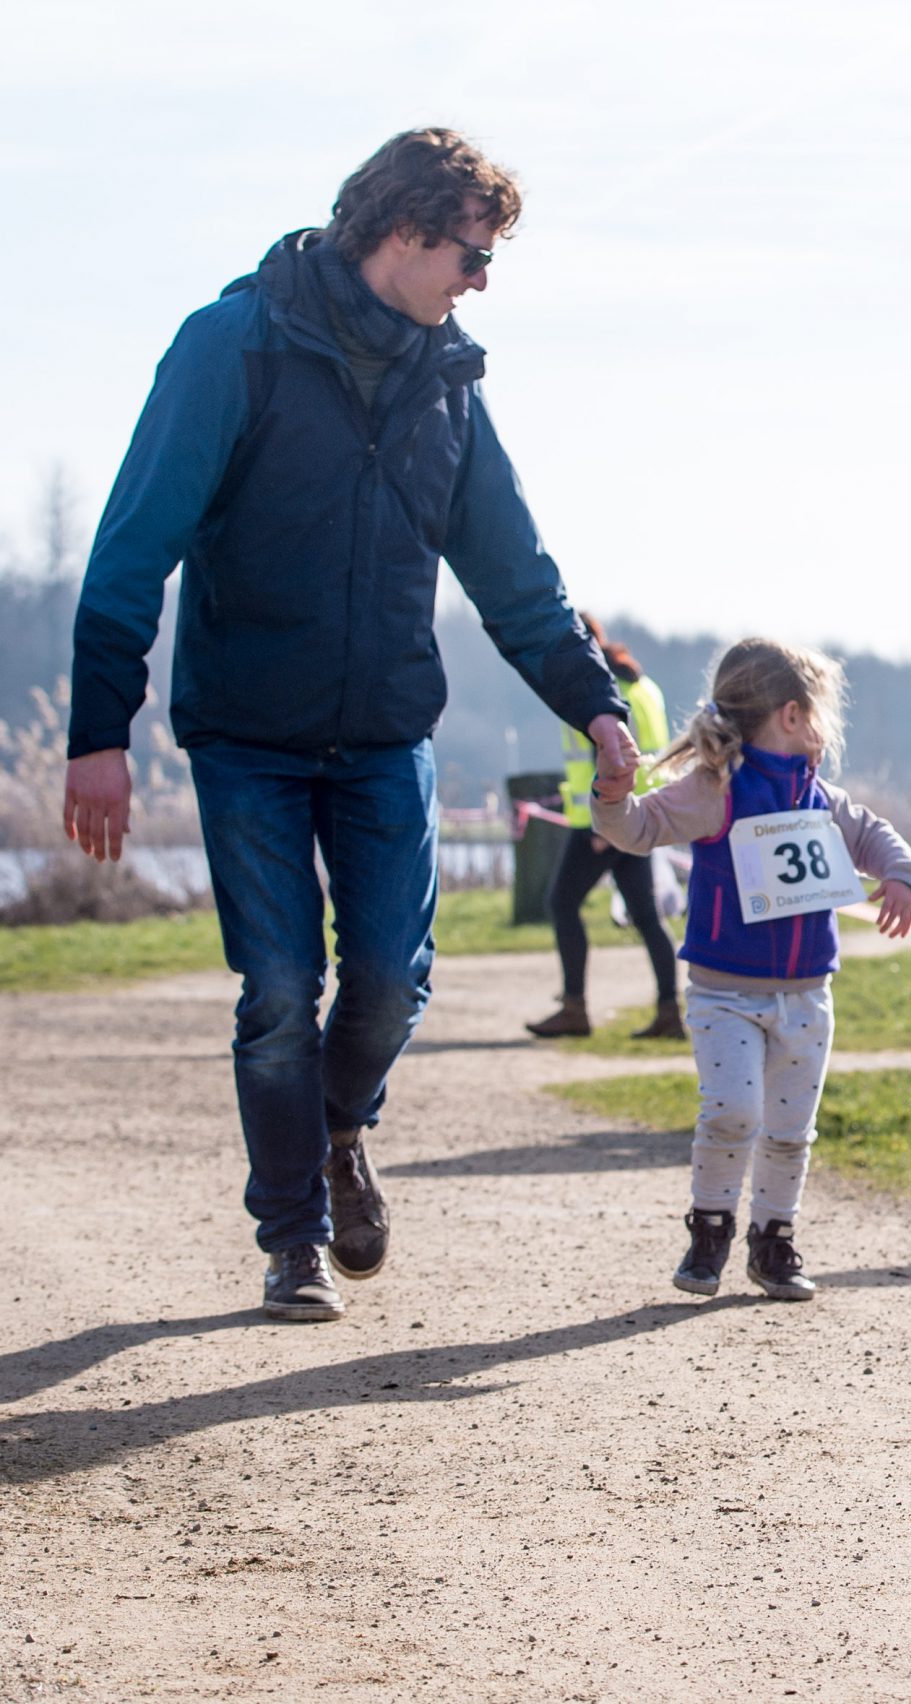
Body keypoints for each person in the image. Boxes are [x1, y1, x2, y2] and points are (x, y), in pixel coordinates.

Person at [60, 129, 635, 1324]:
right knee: (278, 986)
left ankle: (334, 1129)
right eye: (473, 257)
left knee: (387, 982)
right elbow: (132, 548)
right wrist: (98, 731)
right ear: (404, 232)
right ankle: (291, 1236)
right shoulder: (235, 348)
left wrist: (596, 706)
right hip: (249, 736)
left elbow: (514, 576)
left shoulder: (449, 384)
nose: (482, 282)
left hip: (382, 733)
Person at [591, 639, 911, 1300]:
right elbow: (637, 829)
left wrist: (901, 873)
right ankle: (710, 1230)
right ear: (793, 716)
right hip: (723, 994)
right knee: (733, 1111)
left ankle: (774, 1241)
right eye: (824, 711)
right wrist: (613, 793)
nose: (829, 726)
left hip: (807, 996)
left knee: (792, 1131)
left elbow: (872, 833)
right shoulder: (715, 791)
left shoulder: (820, 796)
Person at [526, 612, 682, 1041]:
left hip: (604, 818)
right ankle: (669, 1010)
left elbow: (624, 759)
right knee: (647, 916)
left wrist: (605, 826)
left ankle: (575, 1007)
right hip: (633, 815)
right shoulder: (641, 686)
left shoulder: (596, 692)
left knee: (561, 902)